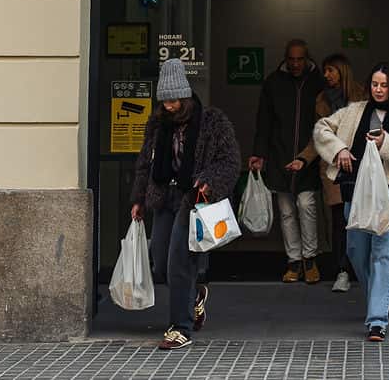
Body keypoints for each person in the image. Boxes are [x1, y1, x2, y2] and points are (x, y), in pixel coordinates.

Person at [129, 58, 241, 350]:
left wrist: (208, 181)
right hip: (165, 196)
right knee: (160, 261)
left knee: (179, 260)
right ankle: (195, 298)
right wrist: (139, 199)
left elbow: (230, 162)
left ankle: (180, 328)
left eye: (174, 99)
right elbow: (145, 163)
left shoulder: (212, 122)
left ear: (185, 96)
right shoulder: (157, 125)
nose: (168, 105)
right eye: (164, 100)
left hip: (193, 199)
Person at [313, 62, 389, 341]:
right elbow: (321, 128)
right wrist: (338, 149)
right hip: (357, 188)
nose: (378, 89)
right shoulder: (354, 111)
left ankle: (377, 320)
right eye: (375, 84)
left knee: (385, 252)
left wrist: (385, 143)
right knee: (356, 250)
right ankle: (378, 295)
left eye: (384, 85)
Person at [249, 39, 326, 283]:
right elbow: (264, 121)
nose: (294, 64)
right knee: (286, 211)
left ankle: (310, 259)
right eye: (291, 59)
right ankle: (293, 261)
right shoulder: (273, 83)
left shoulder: (318, 82)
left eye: (299, 59)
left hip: (309, 156)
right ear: (285, 59)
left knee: (307, 205)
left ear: (307, 58)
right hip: (279, 154)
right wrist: (259, 153)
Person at [291, 53, 366, 292]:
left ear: (342, 71)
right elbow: (319, 137)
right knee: (338, 222)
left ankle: (363, 269)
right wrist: (303, 159)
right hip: (333, 169)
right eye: (325, 71)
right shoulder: (322, 99)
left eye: (331, 70)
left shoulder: (361, 95)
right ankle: (342, 271)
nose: (326, 75)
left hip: (360, 166)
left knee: (362, 220)